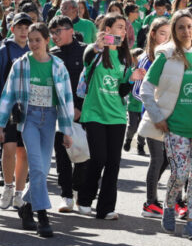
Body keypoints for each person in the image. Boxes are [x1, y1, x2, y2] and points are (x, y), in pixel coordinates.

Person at [140, 10, 192, 240]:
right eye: (181, 27)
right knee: (180, 172)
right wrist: (157, 116)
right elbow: (146, 89)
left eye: (190, 26)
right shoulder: (166, 56)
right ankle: (169, 206)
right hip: (175, 127)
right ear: (174, 31)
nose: (186, 31)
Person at [0, 23, 75, 238]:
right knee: (37, 167)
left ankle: (26, 207)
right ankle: (43, 217)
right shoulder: (21, 64)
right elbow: (8, 95)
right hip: (28, 118)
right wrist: (0, 126)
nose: (33, 44)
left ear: (47, 40)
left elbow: (66, 99)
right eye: (30, 40)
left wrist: (67, 131)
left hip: (49, 119)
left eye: (38, 40)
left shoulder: (58, 66)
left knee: (43, 169)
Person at [77, 14, 143, 220]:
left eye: (125, 28)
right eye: (119, 27)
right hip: (94, 113)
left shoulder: (125, 57)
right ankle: (85, 199)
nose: (123, 31)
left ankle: (105, 208)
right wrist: (98, 46)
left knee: (113, 163)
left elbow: (121, 90)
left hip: (117, 116)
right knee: (99, 158)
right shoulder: (94, 51)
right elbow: (87, 59)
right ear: (107, 29)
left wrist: (132, 79)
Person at [0, 14, 32, 209]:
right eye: (19, 27)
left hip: (30, 109)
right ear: (12, 29)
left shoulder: (34, 49)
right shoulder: (4, 51)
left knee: (24, 152)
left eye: (27, 27)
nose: (23, 31)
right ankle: (8, 186)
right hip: (9, 108)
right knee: (9, 149)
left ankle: (19, 193)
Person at [135, 16, 173, 218]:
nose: (166, 38)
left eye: (169, 34)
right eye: (162, 33)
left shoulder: (169, 56)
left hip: (169, 115)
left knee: (167, 159)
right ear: (153, 34)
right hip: (151, 116)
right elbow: (137, 91)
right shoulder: (146, 58)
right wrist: (152, 106)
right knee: (157, 158)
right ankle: (150, 203)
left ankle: (153, 195)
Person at [48, 15, 87, 211]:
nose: (55, 36)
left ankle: (79, 190)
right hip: (59, 111)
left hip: (82, 111)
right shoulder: (52, 54)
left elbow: (89, 82)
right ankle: (66, 195)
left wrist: (79, 107)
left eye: (58, 31)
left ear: (70, 30)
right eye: (52, 33)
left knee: (82, 153)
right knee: (62, 153)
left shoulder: (85, 51)